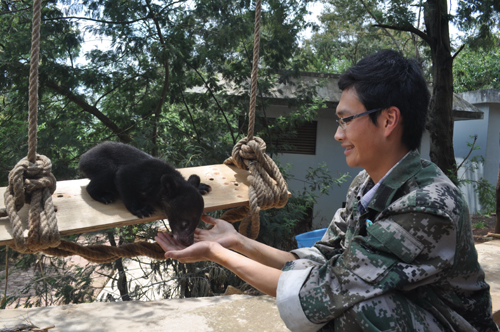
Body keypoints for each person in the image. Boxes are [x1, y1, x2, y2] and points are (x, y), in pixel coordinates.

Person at [155, 50, 498, 332]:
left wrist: (217, 255)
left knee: (359, 311)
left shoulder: (426, 202)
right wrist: (236, 242)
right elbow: (321, 258)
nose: (338, 134)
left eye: (346, 120)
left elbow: (326, 292)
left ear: (389, 120)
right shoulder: (366, 185)